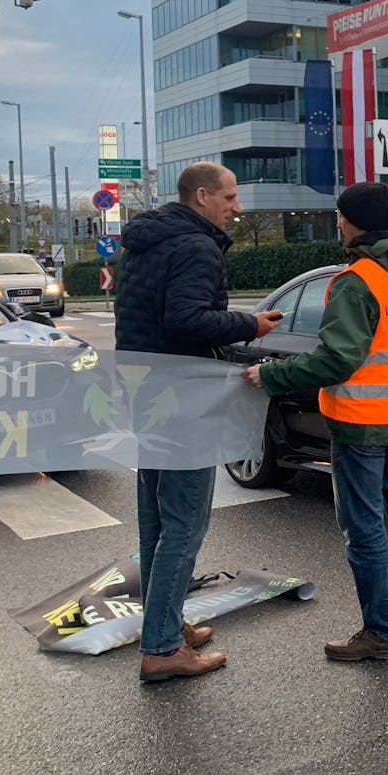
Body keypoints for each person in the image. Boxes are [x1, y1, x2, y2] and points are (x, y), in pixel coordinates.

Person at [244, 182, 388, 662]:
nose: (336, 223)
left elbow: (337, 361)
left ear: (351, 221)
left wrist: (271, 374)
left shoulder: (357, 280)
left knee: (363, 527)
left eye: (338, 216)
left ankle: (383, 632)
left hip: (361, 421)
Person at [115, 161, 282, 682]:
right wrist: (249, 324)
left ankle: (164, 622)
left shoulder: (144, 243)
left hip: (145, 390)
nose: (237, 208)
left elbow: (146, 318)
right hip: (182, 397)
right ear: (203, 196)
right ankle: (163, 650)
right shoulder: (195, 246)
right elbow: (185, 319)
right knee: (185, 524)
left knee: (157, 521)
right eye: (230, 198)